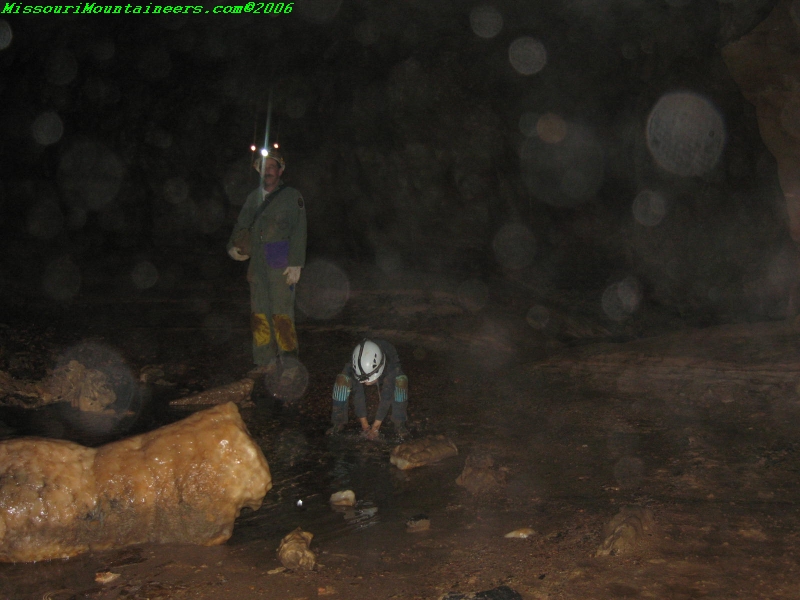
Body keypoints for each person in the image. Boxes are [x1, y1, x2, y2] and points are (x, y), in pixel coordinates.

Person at [227, 148, 307, 382]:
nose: (268, 171)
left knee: (281, 314)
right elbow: (241, 225)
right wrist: (232, 246)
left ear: (280, 171)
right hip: (257, 262)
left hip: (280, 258)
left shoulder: (291, 196)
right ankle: (264, 360)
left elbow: (300, 229)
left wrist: (296, 263)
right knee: (259, 313)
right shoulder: (253, 197)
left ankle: (290, 363)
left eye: (272, 167)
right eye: (264, 168)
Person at [326, 338, 409, 439]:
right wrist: (365, 425)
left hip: (388, 364)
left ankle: (400, 423)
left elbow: (387, 395)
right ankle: (338, 422)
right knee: (341, 380)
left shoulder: (391, 364)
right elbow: (358, 394)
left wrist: (375, 427)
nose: (366, 384)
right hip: (361, 366)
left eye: (368, 381)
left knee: (401, 381)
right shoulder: (355, 363)